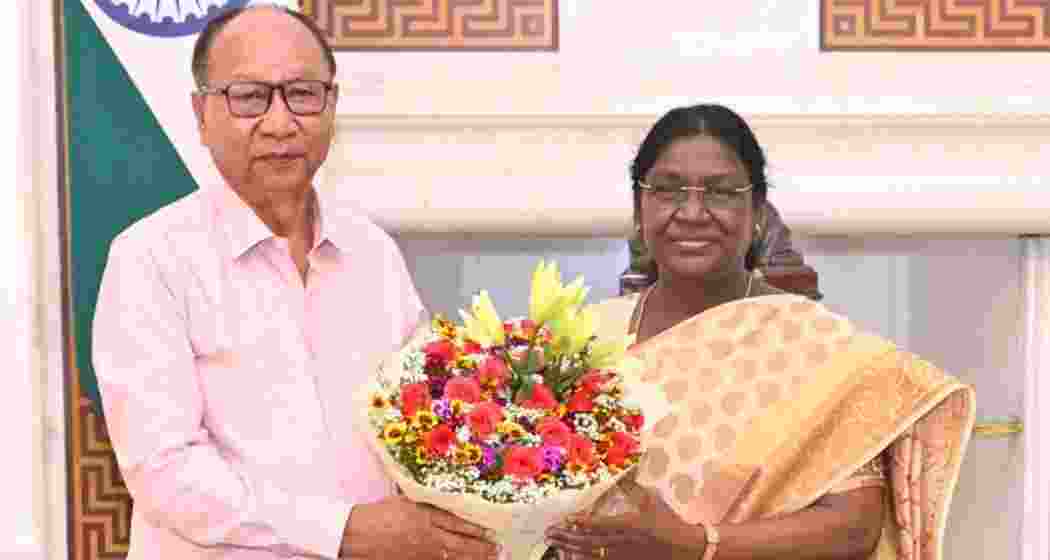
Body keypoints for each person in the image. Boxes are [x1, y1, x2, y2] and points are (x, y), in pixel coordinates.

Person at [92, 6, 499, 560]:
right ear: (201, 112)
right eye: (250, 97)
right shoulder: (151, 258)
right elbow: (165, 470)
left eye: (303, 94)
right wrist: (344, 530)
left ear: (331, 104)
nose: (281, 123)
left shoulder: (373, 253)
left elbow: (420, 418)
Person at [544, 104, 974, 560]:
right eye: (667, 190)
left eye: (722, 192)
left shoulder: (815, 346)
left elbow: (853, 526)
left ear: (758, 213)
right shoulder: (580, 338)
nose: (692, 212)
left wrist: (695, 544)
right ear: (639, 206)